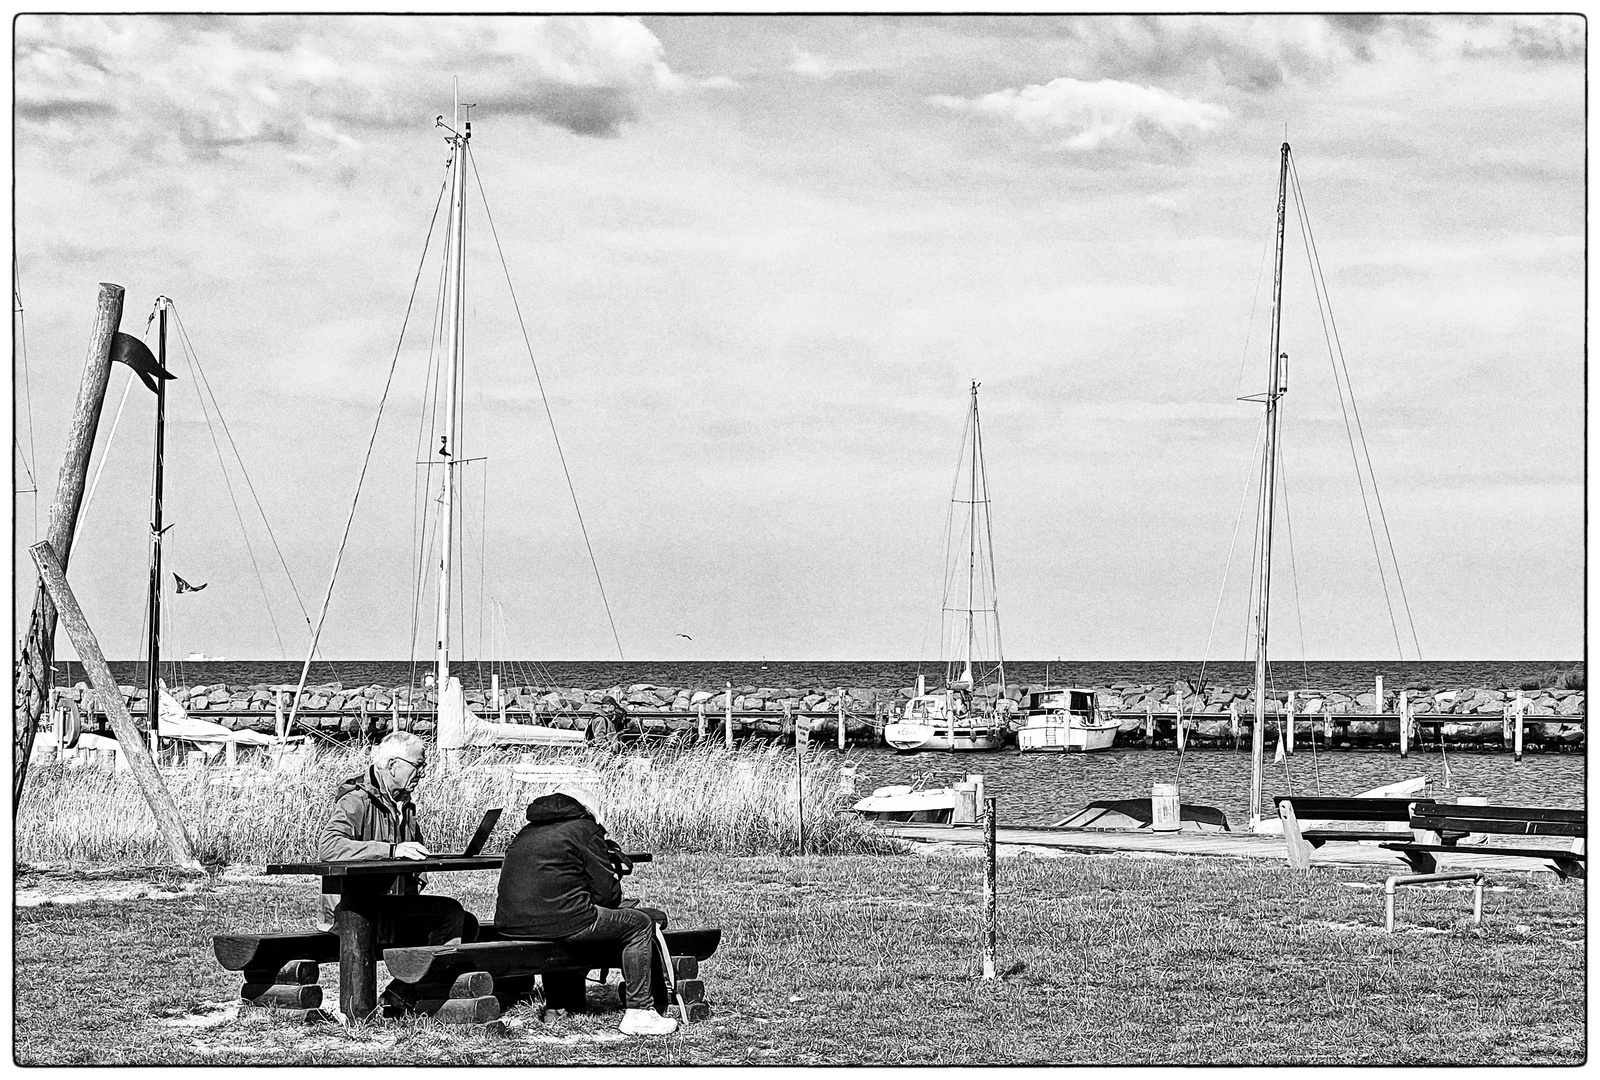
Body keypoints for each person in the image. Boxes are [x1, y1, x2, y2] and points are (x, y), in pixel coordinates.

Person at [494, 784, 677, 1036]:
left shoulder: (526, 831)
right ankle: (640, 1012)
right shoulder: (585, 830)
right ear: (588, 812)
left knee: (566, 921)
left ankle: (557, 1007)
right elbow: (607, 895)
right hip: (561, 921)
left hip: (510, 923)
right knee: (640, 924)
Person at [316, 731, 477, 947]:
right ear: (393, 765)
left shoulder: (404, 804)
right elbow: (329, 846)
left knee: (467, 924)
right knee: (450, 914)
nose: (423, 773)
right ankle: (427, 978)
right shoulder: (356, 799)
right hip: (352, 913)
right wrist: (391, 851)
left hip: (388, 907)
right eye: (418, 765)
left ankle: (420, 978)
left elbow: (414, 854)